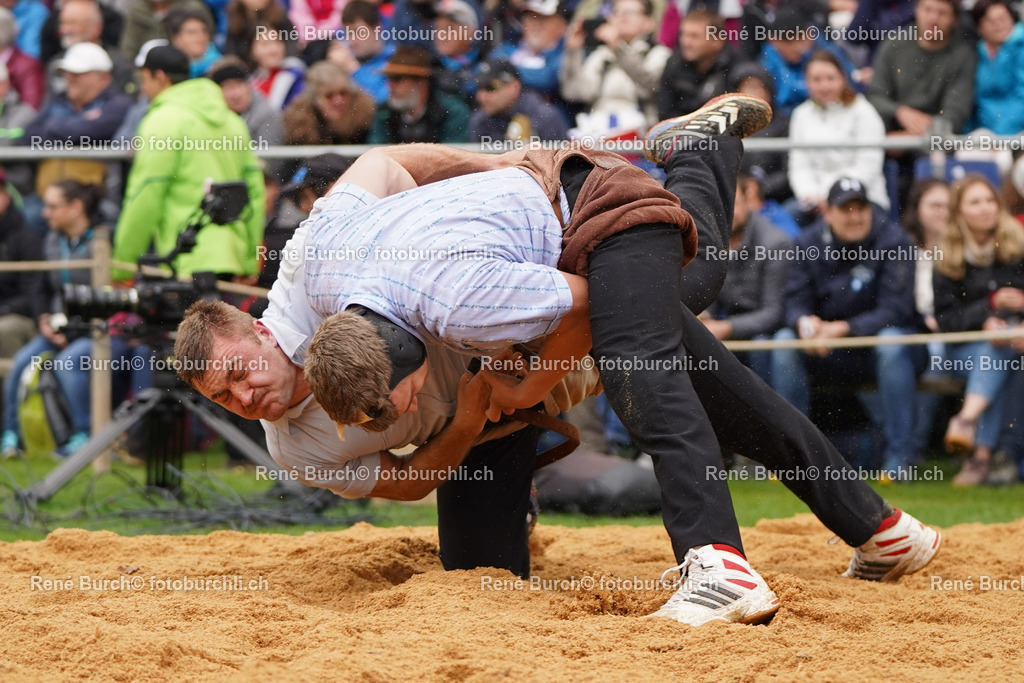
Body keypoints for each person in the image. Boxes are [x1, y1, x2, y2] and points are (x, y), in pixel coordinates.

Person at [176, 95, 940, 628]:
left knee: (665, 323)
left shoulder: (347, 268)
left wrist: (494, 172)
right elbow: (407, 474)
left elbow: (589, 302)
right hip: (496, 367)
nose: (243, 396)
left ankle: (719, 563)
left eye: (238, 373)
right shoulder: (327, 347)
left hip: (566, 226)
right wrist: (472, 409)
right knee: (487, 570)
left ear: (257, 330)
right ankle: (880, 530)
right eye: (225, 400)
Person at [770, 177, 927, 478]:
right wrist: (807, 326)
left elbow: (897, 310)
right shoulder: (806, 243)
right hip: (827, 349)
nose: (855, 216)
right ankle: (796, 461)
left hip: (887, 349)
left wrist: (844, 328)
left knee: (891, 344)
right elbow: (792, 303)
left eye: (861, 208)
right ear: (828, 212)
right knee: (784, 343)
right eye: (846, 209)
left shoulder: (894, 241)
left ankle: (900, 460)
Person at [1, 180, 150, 458]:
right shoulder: (50, 240)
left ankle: (89, 437)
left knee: (69, 363)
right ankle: (12, 437)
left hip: (107, 332)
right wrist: (44, 318)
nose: (45, 213)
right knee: (24, 361)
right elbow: (41, 288)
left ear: (75, 208)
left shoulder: (108, 240)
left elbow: (126, 291)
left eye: (52, 206)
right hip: (61, 330)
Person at [112, 45, 265, 281]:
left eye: (144, 79)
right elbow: (254, 194)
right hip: (230, 259)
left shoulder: (162, 121)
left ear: (159, 76)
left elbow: (146, 193)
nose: (143, 88)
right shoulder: (233, 121)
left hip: (183, 259)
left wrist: (123, 265)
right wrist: (249, 260)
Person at [933, 174, 1024, 486]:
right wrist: (988, 310)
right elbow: (945, 321)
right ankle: (989, 454)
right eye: (975, 202)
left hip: (1013, 344)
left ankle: (971, 433)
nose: (985, 208)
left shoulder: (1018, 245)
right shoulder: (947, 256)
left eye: (989, 200)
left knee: (1005, 357)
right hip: (959, 349)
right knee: (994, 350)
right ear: (960, 212)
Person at [787, 50, 888, 227]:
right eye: (817, 80)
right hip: (815, 202)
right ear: (807, 82)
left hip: (861, 196)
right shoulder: (801, 115)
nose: (824, 86)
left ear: (842, 78)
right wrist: (811, 196)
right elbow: (799, 165)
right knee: (786, 220)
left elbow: (868, 166)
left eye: (830, 78)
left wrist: (834, 197)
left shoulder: (863, 111)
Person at [559, 0, 671, 129]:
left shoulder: (659, 53)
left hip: (640, 136)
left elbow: (650, 88)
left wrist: (618, 47)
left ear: (649, 22)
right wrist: (574, 51)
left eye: (630, 12)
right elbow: (575, 94)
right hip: (598, 131)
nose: (623, 17)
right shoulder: (602, 53)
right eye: (617, 12)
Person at [368, 46, 471, 144]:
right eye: (389, 79)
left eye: (397, 79)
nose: (390, 85)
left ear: (421, 82)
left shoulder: (452, 112)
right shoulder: (384, 112)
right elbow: (376, 150)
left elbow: (452, 156)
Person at [656, 9, 742, 120]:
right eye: (683, 34)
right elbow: (665, 114)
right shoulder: (674, 65)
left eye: (694, 36)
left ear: (717, 41)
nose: (686, 42)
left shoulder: (738, 68)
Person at [469, 58, 569, 144]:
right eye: (479, 87)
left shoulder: (545, 117)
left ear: (514, 87)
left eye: (490, 88)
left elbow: (559, 162)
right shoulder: (480, 119)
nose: (481, 96)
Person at [282, 60, 375, 146]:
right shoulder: (298, 129)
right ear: (314, 100)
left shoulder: (366, 121)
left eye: (343, 93)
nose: (338, 101)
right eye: (329, 96)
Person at [969, 0, 1024, 135]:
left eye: (1002, 19)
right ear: (979, 27)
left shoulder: (1021, 50)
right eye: (990, 21)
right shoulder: (976, 54)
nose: (998, 25)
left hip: (1015, 133)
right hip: (985, 132)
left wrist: (1000, 136)